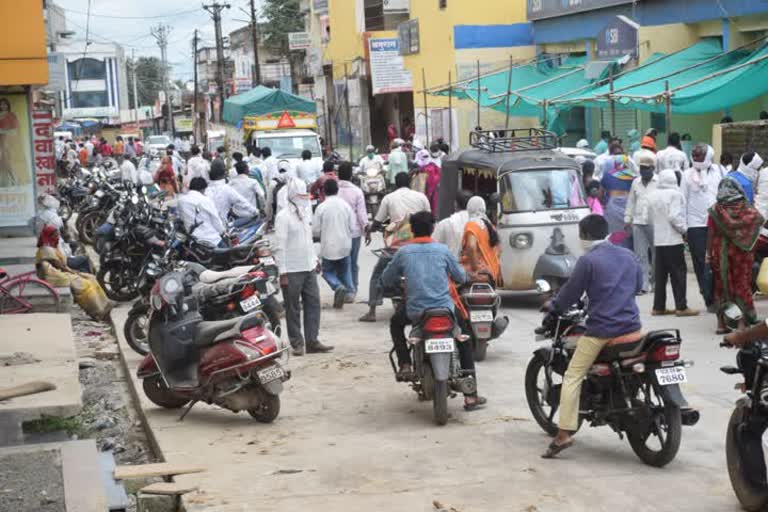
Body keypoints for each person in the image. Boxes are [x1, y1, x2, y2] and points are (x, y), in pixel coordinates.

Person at [541, 214, 642, 459]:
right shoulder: (628, 256)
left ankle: (563, 434)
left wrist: (553, 306)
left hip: (602, 331)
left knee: (573, 374)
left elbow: (570, 294)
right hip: (633, 328)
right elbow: (638, 286)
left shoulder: (588, 261)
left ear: (584, 236)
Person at [381, 211, 485, 410]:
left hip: (416, 312)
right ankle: (471, 395)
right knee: (463, 337)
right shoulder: (443, 251)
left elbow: (386, 279)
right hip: (445, 310)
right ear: (432, 228)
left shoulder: (403, 252)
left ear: (412, 229)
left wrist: (391, 284)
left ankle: (404, 363)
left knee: (396, 323)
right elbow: (461, 277)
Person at [359, 172, 431, 322]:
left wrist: (369, 232)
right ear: (410, 183)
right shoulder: (421, 197)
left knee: (377, 274)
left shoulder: (388, 198)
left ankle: (372, 311)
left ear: (396, 184)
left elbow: (378, 221)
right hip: (420, 244)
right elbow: (430, 219)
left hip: (395, 247)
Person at [274, 179, 333, 356]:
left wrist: (315, 260)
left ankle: (312, 340)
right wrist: (282, 271)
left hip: (308, 266)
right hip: (291, 269)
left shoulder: (306, 213)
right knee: (293, 308)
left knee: (313, 304)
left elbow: (308, 240)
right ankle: (297, 343)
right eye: (301, 195)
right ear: (292, 196)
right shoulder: (283, 217)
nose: (304, 198)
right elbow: (280, 246)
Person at [708, 179, 764, 333]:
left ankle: (721, 325)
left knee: (722, 287)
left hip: (721, 253)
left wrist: (708, 254)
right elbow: (759, 221)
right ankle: (741, 325)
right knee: (742, 285)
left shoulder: (716, 209)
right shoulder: (747, 209)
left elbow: (711, 233)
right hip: (742, 253)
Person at [648, 169, 698, 316]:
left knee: (661, 275)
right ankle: (681, 307)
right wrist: (684, 230)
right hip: (673, 240)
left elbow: (649, 218)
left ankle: (658, 307)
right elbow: (674, 216)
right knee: (678, 274)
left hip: (659, 240)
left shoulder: (652, 195)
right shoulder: (675, 194)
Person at [36, 225, 113, 321]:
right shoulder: (47, 249)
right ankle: (96, 312)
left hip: (59, 272)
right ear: (50, 235)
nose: (58, 237)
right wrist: (75, 273)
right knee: (84, 285)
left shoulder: (51, 245)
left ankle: (104, 306)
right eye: (56, 235)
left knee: (91, 278)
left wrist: (75, 272)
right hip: (54, 276)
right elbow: (61, 267)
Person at [682, 144, 723, 312]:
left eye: (700, 156)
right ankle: (708, 298)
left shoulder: (719, 171)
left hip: (716, 223)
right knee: (701, 263)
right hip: (695, 225)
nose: (697, 159)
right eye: (695, 156)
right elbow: (682, 200)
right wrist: (684, 228)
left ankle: (717, 295)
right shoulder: (686, 175)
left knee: (717, 261)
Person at [313, 179, 356, 308]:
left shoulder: (321, 207)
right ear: (337, 190)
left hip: (328, 246)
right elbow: (352, 227)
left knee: (327, 272)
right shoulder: (345, 205)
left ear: (324, 191)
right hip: (345, 244)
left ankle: (337, 286)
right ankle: (350, 291)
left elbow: (315, 230)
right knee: (345, 270)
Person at [624, 151, 658, 294]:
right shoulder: (635, 182)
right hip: (638, 222)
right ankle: (643, 285)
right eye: (642, 168)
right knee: (640, 254)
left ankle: (656, 282)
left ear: (653, 169)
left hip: (655, 223)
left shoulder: (659, 182)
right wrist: (627, 218)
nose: (643, 171)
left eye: (646, 168)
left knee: (657, 254)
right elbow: (631, 201)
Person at [337, 162, 368, 296]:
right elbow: (361, 214)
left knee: (340, 261)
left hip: (337, 231)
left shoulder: (334, 190)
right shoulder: (357, 191)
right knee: (353, 262)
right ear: (351, 175)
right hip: (354, 232)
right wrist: (366, 229)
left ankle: (341, 288)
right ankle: (352, 289)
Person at [600, 142, 637, 244]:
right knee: (628, 235)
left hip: (613, 208)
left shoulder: (607, 176)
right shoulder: (632, 177)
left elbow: (601, 193)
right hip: (628, 207)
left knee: (614, 236)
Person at [460, 196, 501, 284]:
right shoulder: (489, 225)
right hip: (492, 272)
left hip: (480, 272)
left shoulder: (472, 224)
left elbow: (471, 246)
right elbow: (498, 252)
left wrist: (475, 269)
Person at [206, 159, 258, 225]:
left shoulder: (206, 190)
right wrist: (256, 211)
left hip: (207, 226)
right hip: (221, 225)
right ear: (224, 173)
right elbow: (241, 202)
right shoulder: (226, 189)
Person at [178, 177, 226, 247]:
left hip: (192, 240)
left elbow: (182, 218)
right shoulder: (205, 200)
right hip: (210, 240)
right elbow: (216, 220)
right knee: (232, 255)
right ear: (203, 189)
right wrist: (222, 232)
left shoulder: (181, 200)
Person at [433, 191, 472, 258]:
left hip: (448, 266)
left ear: (455, 204)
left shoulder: (445, 223)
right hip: (473, 267)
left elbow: (433, 248)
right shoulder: (479, 225)